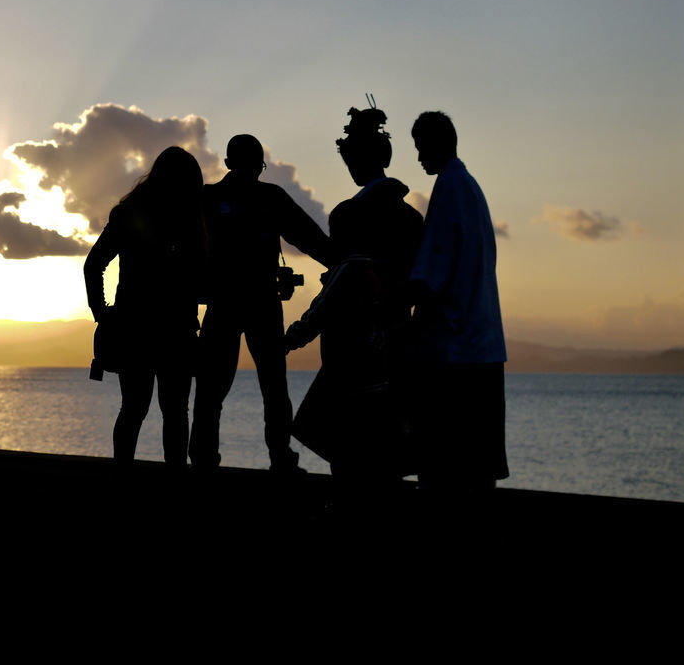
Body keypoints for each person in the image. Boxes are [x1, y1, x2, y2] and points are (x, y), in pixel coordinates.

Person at [283, 105, 423, 507]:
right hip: (394, 348)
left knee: (346, 450)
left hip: (348, 349)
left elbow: (342, 282)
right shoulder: (412, 218)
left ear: (358, 160)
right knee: (387, 451)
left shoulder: (348, 214)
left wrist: (297, 334)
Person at [188, 134, 333, 472]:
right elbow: (313, 240)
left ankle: (205, 458)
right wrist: (346, 262)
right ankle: (277, 458)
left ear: (228, 163)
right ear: (258, 164)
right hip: (253, 304)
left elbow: (311, 239)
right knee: (267, 386)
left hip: (231, 304)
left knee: (219, 388)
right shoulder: (266, 198)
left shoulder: (210, 198)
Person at [407, 111, 508, 498]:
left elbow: (431, 276)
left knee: (442, 459)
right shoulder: (469, 187)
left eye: (420, 149)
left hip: (454, 351)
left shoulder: (449, 188)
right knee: (479, 462)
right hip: (482, 345)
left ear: (434, 144)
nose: (418, 159)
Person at [84, 146, 206, 466]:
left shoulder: (129, 211)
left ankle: (123, 476)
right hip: (175, 327)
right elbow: (199, 276)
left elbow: (94, 263)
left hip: (133, 326)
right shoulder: (192, 218)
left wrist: (103, 313)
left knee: (134, 408)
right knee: (175, 411)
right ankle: (174, 481)